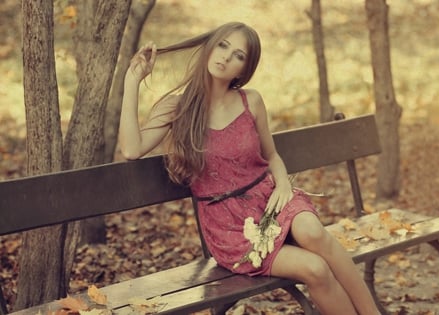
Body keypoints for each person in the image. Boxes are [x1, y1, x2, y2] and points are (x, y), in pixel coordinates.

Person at [119, 22, 380, 315]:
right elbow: (131, 149)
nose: (225, 57)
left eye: (238, 55)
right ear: (210, 46)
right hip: (230, 228)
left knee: (313, 231)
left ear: (243, 69)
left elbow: (272, 156)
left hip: (271, 198)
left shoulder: (250, 101)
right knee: (316, 269)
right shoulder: (176, 108)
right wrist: (132, 80)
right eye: (222, 46)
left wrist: (282, 184)